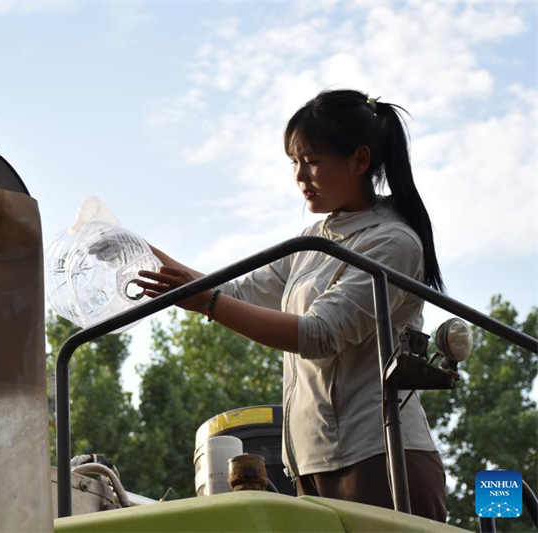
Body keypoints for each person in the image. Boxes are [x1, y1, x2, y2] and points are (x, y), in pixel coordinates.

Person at [136, 89, 447, 522]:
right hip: (309, 463)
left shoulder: (393, 241)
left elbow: (318, 334)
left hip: (379, 456)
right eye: (294, 162)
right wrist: (133, 250)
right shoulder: (315, 241)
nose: (300, 176)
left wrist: (206, 300)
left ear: (360, 161)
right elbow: (237, 293)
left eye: (312, 160)